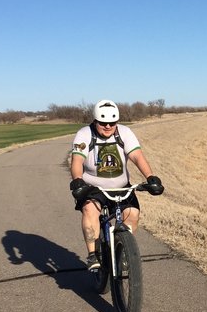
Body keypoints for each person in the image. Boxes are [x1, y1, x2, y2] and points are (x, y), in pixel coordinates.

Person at [69, 99, 163, 270]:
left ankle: (124, 251)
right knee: (90, 210)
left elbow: (137, 156)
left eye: (112, 123)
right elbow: (77, 160)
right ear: (95, 121)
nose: (108, 126)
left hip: (121, 187)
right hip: (94, 188)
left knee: (132, 213)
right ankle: (92, 255)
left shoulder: (125, 133)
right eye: (103, 123)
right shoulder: (85, 134)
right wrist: (77, 180)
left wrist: (150, 177)